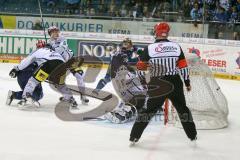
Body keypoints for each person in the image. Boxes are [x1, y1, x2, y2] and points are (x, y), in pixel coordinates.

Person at [129, 22, 197, 145]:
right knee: (182, 109)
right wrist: (187, 82)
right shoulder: (176, 47)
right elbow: (183, 67)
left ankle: (134, 137)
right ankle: (192, 136)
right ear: (167, 33)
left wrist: (143, 83)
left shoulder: (149, 48)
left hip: (157, 82)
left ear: (156, 32)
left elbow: (140, 68)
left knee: (148, 111)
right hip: (175, 82)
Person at [47, 26, 89, 104]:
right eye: (53, 32)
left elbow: (61, 49)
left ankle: (83, 95)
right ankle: (67, 96)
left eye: (57, 31)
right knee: (59, 81)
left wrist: (51, 46)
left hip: (71, 61)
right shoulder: (49, 42)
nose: (56, 33)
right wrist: (48, 46)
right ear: (50, 34)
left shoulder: (62, 38)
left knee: (79, 76)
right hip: (60, 64)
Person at [6, 40, 47, 106]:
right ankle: (23, 99)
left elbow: (25, 61)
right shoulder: (44, 54)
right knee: (38, 94)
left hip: (21, 75)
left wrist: (16, 68)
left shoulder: (33, 53)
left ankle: (14, 95)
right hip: (29, 74)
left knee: (32, 92)